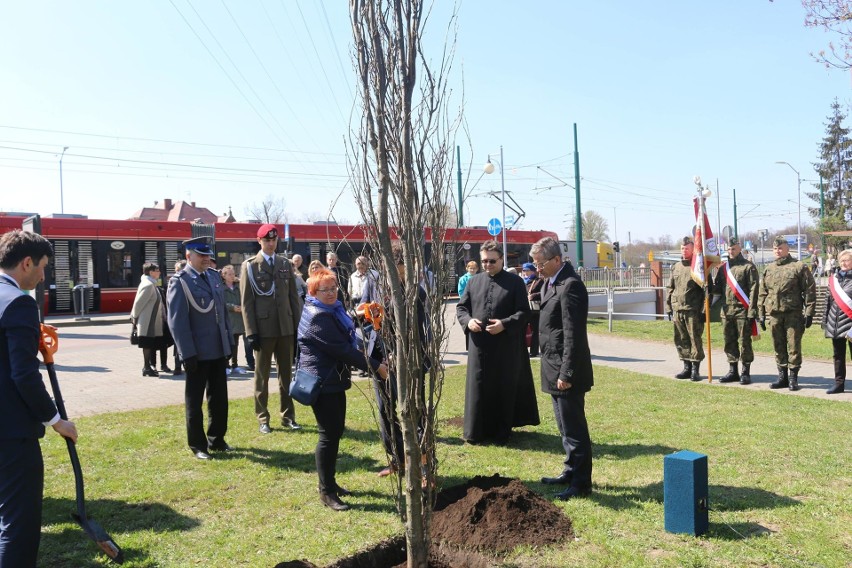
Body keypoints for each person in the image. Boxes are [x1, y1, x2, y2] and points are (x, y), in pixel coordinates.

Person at [0, 230, 78, 566]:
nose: (44, 276)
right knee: (19, 522)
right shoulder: (18, 303)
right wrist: (56, 420)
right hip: (11, 431)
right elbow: (24, 375)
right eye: (43, 266)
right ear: (27, 262)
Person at [298, 268, 388, 511]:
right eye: (324, 289)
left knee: (335, 432)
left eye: (334, 287)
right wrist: (377, 367)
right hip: (322, 382)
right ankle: (326, 491)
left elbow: (342, 322)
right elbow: (343, 350)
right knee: (328, 435)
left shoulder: (332, 310)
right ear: (313, 292)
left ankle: (330, 483)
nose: (331, 293)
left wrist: (357, 313)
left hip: (332, 380)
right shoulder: (319, 316)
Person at [456, 240, 540, 445]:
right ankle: (476, 432)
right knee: (478, 385)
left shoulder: (515, 282)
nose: (487, 265)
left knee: (503, 386)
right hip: (479, 346)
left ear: (501, 259)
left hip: (505, 346)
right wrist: (469, 321)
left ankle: (502, 431)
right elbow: (461, 308)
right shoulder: (473, 282)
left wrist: (504, 324)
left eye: (492, 261)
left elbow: (523, 312)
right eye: (484, 261)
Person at [530, 237, 593, 501]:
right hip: (552, 364)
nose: (537, 269)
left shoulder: (571, 286)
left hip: (567, 370)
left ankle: (580, 483)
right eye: (535, 263)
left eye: (541, 263)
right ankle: (570, 470)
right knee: (563, 427)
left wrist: (567, 373)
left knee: (574, 429)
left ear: (557, 260)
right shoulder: (550, 282)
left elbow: (573, 335)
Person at [167, 237, 234, 459]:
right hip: (197, 351)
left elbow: (223, 314)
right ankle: (197, 445)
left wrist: (229, 344)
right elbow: (177, 322)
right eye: (202, 255)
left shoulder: (214, 277)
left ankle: (217, 439)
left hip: (216, 348)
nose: (207, 259)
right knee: (194, 401)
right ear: (189, 256)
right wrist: (186, 353)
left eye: (208, 255)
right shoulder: (180, 281)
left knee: (219, 399)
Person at [241, 224, 304, 434]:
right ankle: (262, 418)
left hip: (285, 328)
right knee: (262, 376)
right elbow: (247, 303)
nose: (270, 243)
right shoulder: (250, 266)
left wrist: (298, 328)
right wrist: (251, 332)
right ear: (259, 241)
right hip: (263, 329)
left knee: (287, 375)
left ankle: (288, 416)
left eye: (273, 240)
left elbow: (293, 299)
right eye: (267, 240)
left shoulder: (285, 264)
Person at [757, 236, 817, 391]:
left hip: (793, 314)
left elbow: (809, 290)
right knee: (778, 346)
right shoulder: (769, 269)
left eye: (780, 248)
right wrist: (761, 313)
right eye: (775, 248)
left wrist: (809, 312)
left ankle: (793, 378)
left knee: (793, 346)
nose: (778, 251)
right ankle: (782, 377)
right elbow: (763, 293)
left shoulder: (798, 266)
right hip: (775, 314)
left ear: (787, 249)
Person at [711, 238, 759, 385]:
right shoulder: (723, 268)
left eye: (734, 249)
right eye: (729, 249)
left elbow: (754, 290)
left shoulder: (748, 267)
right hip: (727, 311)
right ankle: (733, 371)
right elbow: (718, 290)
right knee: (729, 341)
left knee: (745, 342)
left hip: (742, 311)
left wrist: (752, 311)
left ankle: (745, 372)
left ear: (739, 249)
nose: (731, 252)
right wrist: (707, 285)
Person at [666, 236, 706, 381]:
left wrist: (703, 311)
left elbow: (706, 291)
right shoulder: (676, 266)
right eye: (682, 248)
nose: (684, 250)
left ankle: (696, 369)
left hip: (693, 310)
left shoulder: (697, 267)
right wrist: (668, 307)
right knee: (681, 339)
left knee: (695, 339)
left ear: (693, 249)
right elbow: (670, 287)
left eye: (687, 248)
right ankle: (686, 367)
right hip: (678, 309)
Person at [130, 262, 171, 377]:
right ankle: (146, 367)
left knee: (150, 344)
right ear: (151, 272)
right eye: (157, 270)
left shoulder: (151, 283)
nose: (159, 273)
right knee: (147, 345)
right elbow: (138, 304)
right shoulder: (148, 285)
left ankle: (148, 367)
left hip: (151, 321)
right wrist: (134, 318)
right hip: (147, 321)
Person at [822, 249, 852, 394]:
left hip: (851, 323)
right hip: (835, 323)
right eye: (842, 261)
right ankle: (839, 384)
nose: (844, 263)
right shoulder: (834, 279)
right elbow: (827, 302)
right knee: (838, 356)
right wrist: (825, 321)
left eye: (847, 260)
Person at [222, 265, 254, 374]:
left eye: (233, 274)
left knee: (238, 344)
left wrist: (242, 306)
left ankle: (235, 365)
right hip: (229, 319)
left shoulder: (239, 286)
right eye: (229, 274)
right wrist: (231, 307)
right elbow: (220, 302)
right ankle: (226, 365)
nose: (232, 276)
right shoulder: (221, 288)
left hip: (240, 319)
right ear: (224, 275)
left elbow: (246, 297)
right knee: (230, 344)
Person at [522, 262, 544, 357]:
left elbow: (544, 293)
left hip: (534, 310)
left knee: (535, 330)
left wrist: (534, 295)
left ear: (533, 271)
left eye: (527, 270)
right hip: (524, 309)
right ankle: (522, 350)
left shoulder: (539, 281)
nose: (525, 272)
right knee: (522, 329)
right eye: (524, 270)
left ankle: (534, 351)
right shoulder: (522, 281)